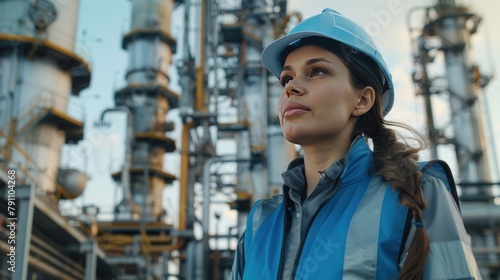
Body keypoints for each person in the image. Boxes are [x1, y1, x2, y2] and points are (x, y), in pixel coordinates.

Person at [229, 8, 481, 280]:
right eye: (287, 78)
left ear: (362, 100)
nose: (291, 87)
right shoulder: (261, 222)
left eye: (317, 72)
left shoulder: (416, 194)